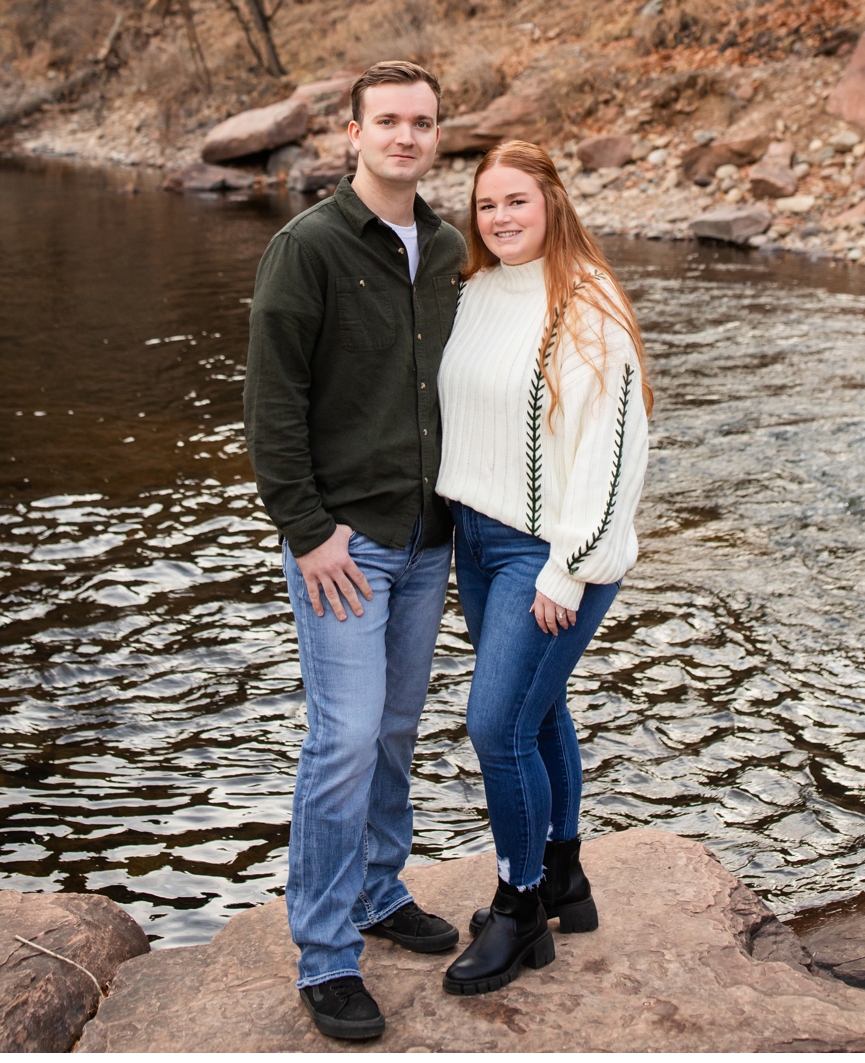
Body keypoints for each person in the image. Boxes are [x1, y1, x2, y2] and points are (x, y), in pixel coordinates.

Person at [246, 59, 468, 1043]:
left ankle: (379, 890)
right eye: (388, 120)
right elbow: (272, 406)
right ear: (353, 132)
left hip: (430, 540)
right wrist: (308, 532)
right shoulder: (310, 248)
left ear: (435, 135)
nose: (405, 136)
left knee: (393, 731)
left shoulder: (456, 248)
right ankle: (328, 953)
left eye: (421, 122)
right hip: (346, 544)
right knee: (340, 740)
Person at [434, 139, 651, 995]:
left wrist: (570, 568)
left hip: (550, 552)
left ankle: (519, 910)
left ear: (553, 203)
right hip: (477, 542)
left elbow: (617, 451)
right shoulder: (476, 291)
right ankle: (566, 878)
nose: (502, 218)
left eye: (518, 201)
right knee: (538, 707)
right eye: (488, 205)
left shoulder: (589, 303)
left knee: (497, 729)